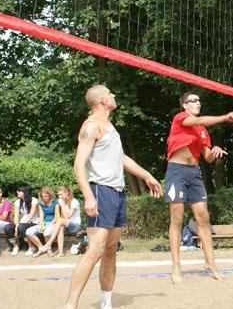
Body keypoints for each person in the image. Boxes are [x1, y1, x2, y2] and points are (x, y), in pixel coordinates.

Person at [65, 85, 162, 309]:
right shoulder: (91, 126)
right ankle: (70, 305)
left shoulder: (109, 126)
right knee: (95, 249)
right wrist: (89, 197)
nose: (114, 95)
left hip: (117, 192)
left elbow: (121, 158)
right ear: (100, 100)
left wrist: (147, 176)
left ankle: (106, 303)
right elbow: (79, 165)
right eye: (110, 93)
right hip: (101, 191)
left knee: (110, 250)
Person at [166, 91, 233, 284]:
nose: (198, 103)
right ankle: (176, 267)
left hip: (194, 173)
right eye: (193, 101)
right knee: (177, 218)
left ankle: (210, 264)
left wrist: (214, 151)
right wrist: (225, 117)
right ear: (185, 105)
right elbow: (203, 120)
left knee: (203, 218)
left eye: (199, 100)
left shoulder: (201, 131)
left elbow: (206, 157)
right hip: (177, 171)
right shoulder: (181, 118)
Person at [37, 185, 81, 257]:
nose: (59, 197)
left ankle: (48, 244)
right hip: (66, 224)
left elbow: (67, 217)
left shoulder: (74, 202)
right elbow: (61, 217)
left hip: (75, 226)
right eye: (58, 195)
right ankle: (61, 252)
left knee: (60, 221)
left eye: (61, 194)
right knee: (60, 227)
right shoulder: (63, 202)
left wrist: (62, 205)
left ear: (67, 193)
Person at [4, 184, 39, 256]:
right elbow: (16, 216)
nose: (17, 192)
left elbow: (30, 216)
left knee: (21, 227)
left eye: (19, 191)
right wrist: (17, 225)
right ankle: (15, 246)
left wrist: (19, 226)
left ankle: (31, 247)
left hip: (33, 222)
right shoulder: (18, 202)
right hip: (22, 223)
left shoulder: (34, 200)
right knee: (8, 227)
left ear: (25, 192)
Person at [27, 186, 59, 257]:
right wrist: (41, 224)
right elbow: (41, 215)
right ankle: (41, 248)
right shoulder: (41, 203)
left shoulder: (55, 203)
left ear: (50, 195)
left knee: (46, 233)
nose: (44, 198)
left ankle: (48, 249)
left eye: (46, 196)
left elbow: (57, 217)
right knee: (28, 232)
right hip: (45, 222)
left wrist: (49, 224)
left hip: (53, 222)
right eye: (43, 196)